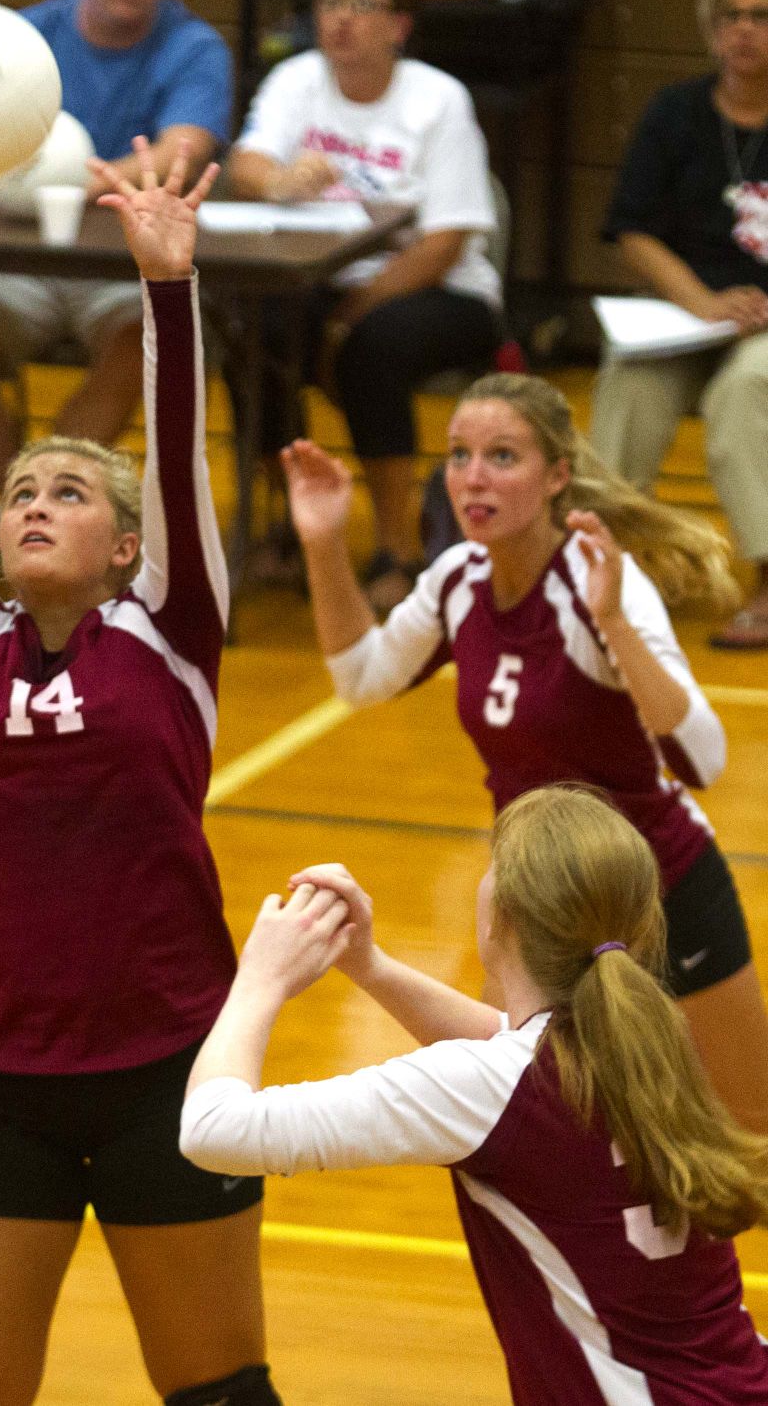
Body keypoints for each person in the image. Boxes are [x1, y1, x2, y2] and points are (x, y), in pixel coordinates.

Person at [0, 143, 283, 1406]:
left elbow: (176, 452)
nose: (30, 502)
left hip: (166, 1066)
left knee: (218, 1391)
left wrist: (167, 286)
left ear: (125, 544)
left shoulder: (171, 624)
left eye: (67, 491)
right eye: (20, 489)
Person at [281, 370, 768, 1133]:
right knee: (534, 1136)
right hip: (536, 903)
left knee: (749, 1130)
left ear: (557, 476)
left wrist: (615, 625)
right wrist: (324, 542)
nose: (474, 477)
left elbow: (702, 761)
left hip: (659, 891)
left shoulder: (597, 583)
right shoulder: (458, 580)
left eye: (502, 457)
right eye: (460, 455)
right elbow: (361, 677)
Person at [180, 784, 768, 1403]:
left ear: (500, 918)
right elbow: (506, 1052)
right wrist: (369, 965)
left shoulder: (498, 1087)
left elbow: (213, 1130)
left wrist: (259, 979)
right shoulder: (645, 1043)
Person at [0, 0, 233, 571]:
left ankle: (36, 526)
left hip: (125, 269)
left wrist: (64, 181)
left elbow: (183, 150)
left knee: (143, 341)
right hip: (21, 263)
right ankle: (23, 517)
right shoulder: (24, 38)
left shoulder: (193, 47)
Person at [229, 0, 501, 613]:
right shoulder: (296, 80)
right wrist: (281, 181)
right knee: (249, 333)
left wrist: (347, 318)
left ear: (398, 25)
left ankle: (396, 548)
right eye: (331, 3)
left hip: (435, 288)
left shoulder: (438, 100)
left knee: (372, 347)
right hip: (315, 277)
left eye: (361, 4)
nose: (342, 19)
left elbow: (445, 242)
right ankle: (293, 522)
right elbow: (247, 163)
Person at [591, 0, 768, 650]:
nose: (745, 30)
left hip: (764, 325)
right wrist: (700, 301)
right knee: (629, 385)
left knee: (744, 392)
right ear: (709, 27)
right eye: (731, 16)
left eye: (761, 15)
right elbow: (630, 229)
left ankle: (766, 575)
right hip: (685, 314)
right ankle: (609, 565)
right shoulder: (675, 114)